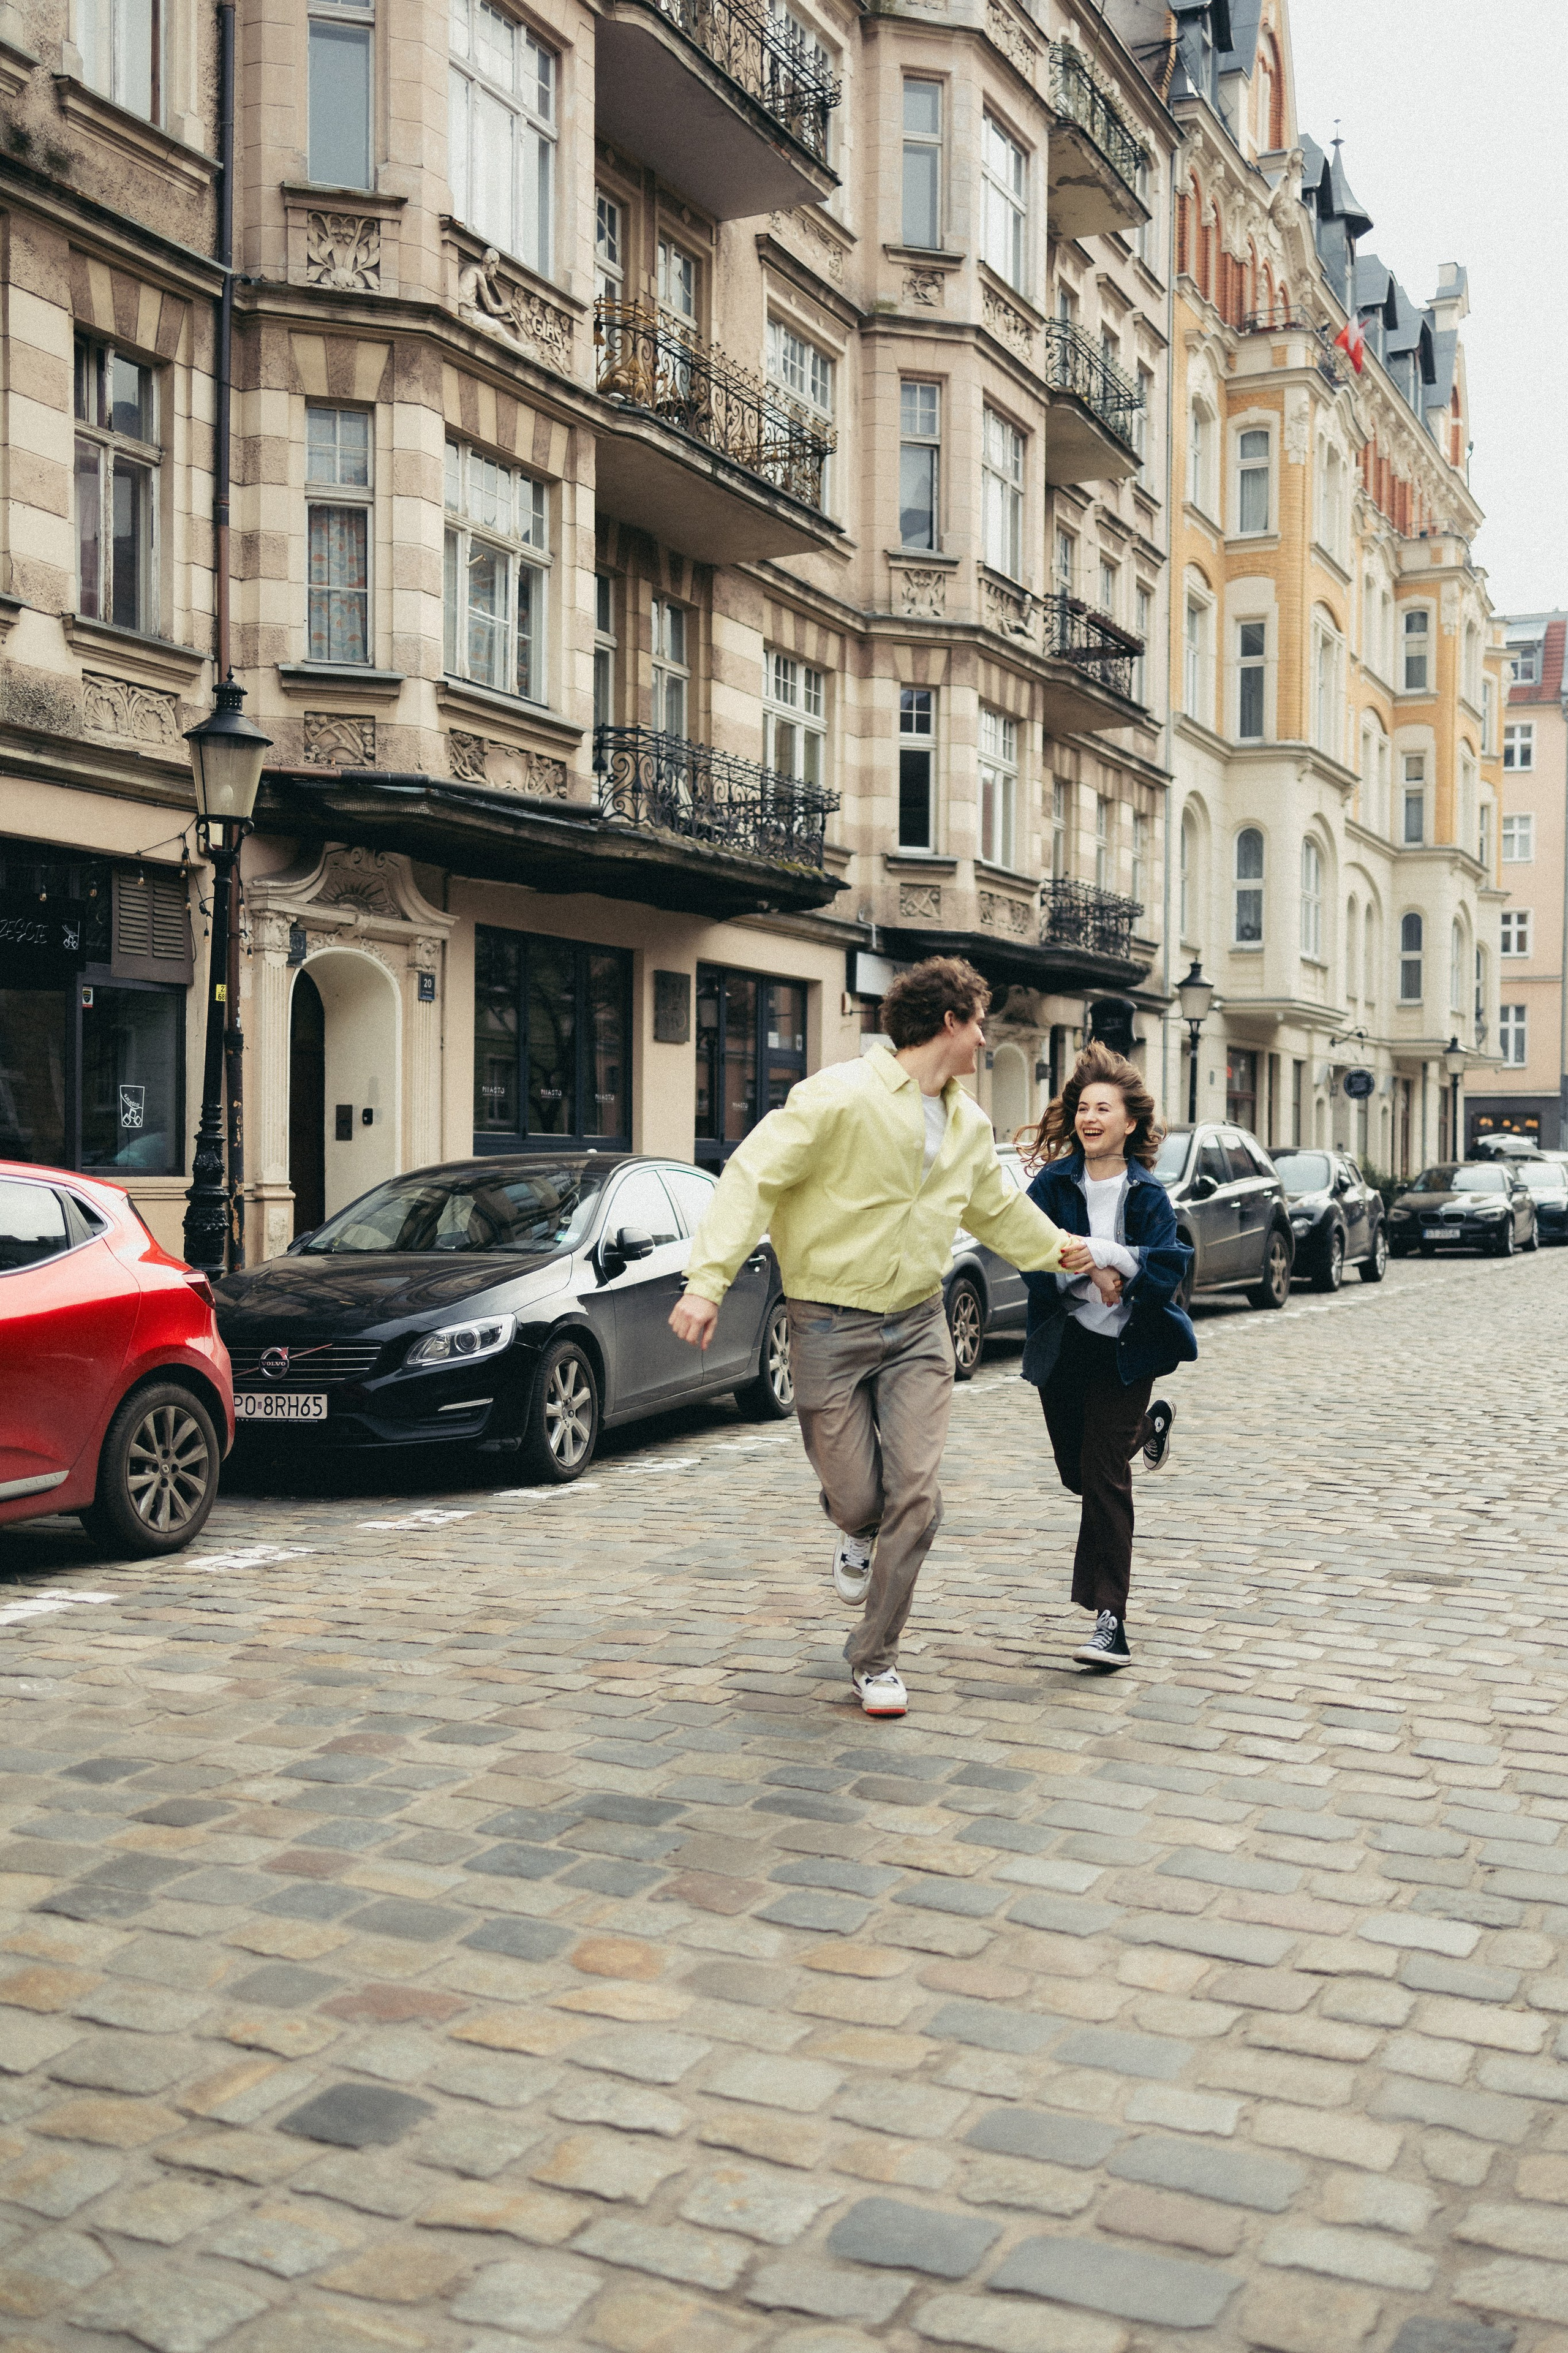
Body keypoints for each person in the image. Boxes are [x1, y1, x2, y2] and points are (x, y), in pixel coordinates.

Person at [669, 956, 1101, 1718]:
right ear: (949, 1021)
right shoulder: (836, 1095)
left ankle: (875, 1657)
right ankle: (857, 1526)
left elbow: (996, 1210)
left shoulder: (967, 1123)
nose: (984, 1038)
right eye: (979, 1023)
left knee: (918, 1498)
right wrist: (707, 1282)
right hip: (827, 1321)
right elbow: (752, 1177)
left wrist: (1065, 1251)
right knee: (860, 1494)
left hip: (918, 1323)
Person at [1019, 1042, 1196, 1672]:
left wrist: (1115, 1257)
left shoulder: (1147, 1194)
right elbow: (1028, 1252)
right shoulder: (1053, 1183)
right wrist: (1088, 1267)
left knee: (1104, 1478)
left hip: (1126, 1353)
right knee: (1079, 1473)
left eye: (1103, 1108)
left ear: (1129, 1122)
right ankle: (1148, 1428)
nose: (1090, 1118)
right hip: (1067, 1346)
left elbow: (1169, 1266)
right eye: (1083, 1108)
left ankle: (1110, 1621)